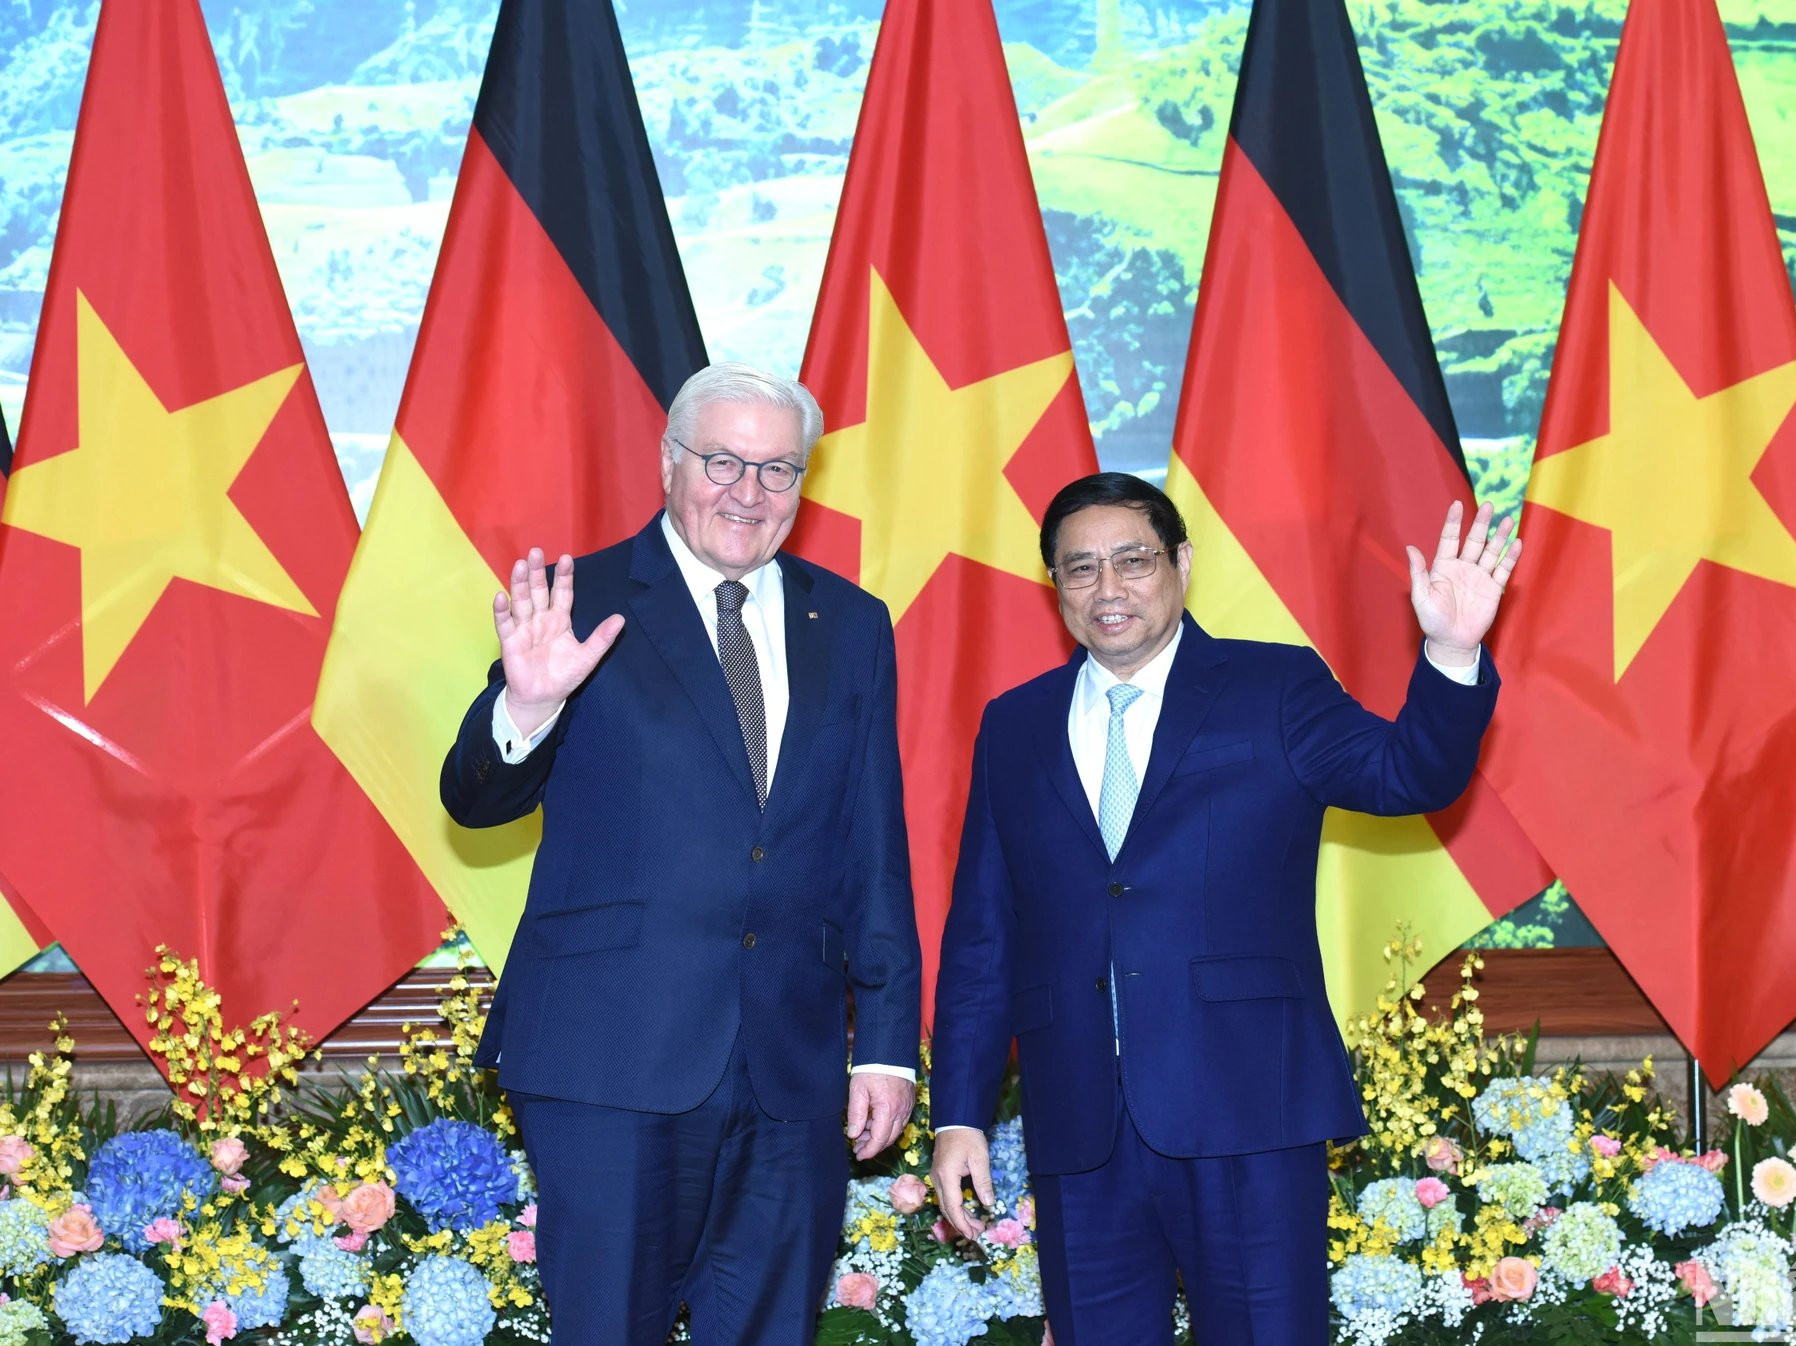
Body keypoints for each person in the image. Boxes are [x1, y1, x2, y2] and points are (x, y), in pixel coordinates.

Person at [928, 471, 1523, 1343]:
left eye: (1132, 560)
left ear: (1182, 563)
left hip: (1247, 1110)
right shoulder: (1014, 724)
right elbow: (984, 934)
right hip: (1078, 1123)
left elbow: (1410, 775)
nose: (1108, 588)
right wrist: (959, 1115)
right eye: (1080, 568)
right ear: (1054, 585)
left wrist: (1452, 656)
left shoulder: (1272, 686)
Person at [441, 362, 921, 1346]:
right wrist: (527, 706)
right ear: (669, 461)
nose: (748, 492)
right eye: (723, 461)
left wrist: (880, 1040)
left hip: (789, 1069)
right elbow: (474, 798)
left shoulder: (853, 623)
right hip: (609, 1054)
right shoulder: (581, 597)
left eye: (777, 469)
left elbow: (872, 845)